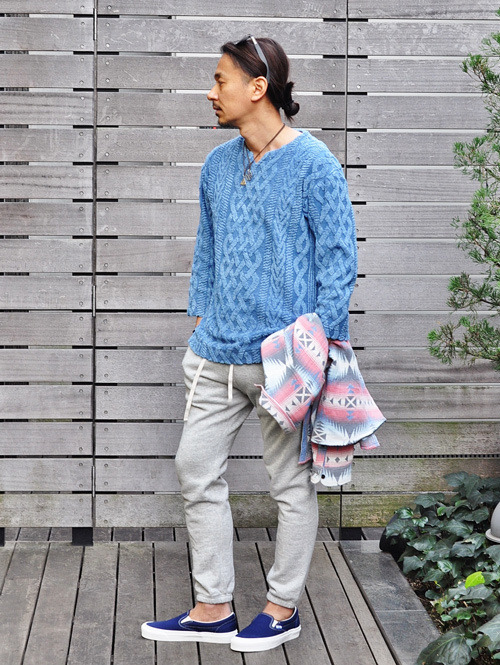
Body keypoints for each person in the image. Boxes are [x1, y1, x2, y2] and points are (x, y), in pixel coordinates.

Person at [141, 35, 358, 652]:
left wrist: (318, 348)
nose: (211, 92)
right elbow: (207, 250)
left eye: (220, 80)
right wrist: (199, 325)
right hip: (215, 354)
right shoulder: (217, 164)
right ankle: (213, 608)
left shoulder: (315, 163)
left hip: (285, 360)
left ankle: (281, 609)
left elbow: (339, 261)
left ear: (257, 88)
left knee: (290, 486)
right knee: (195, 470)